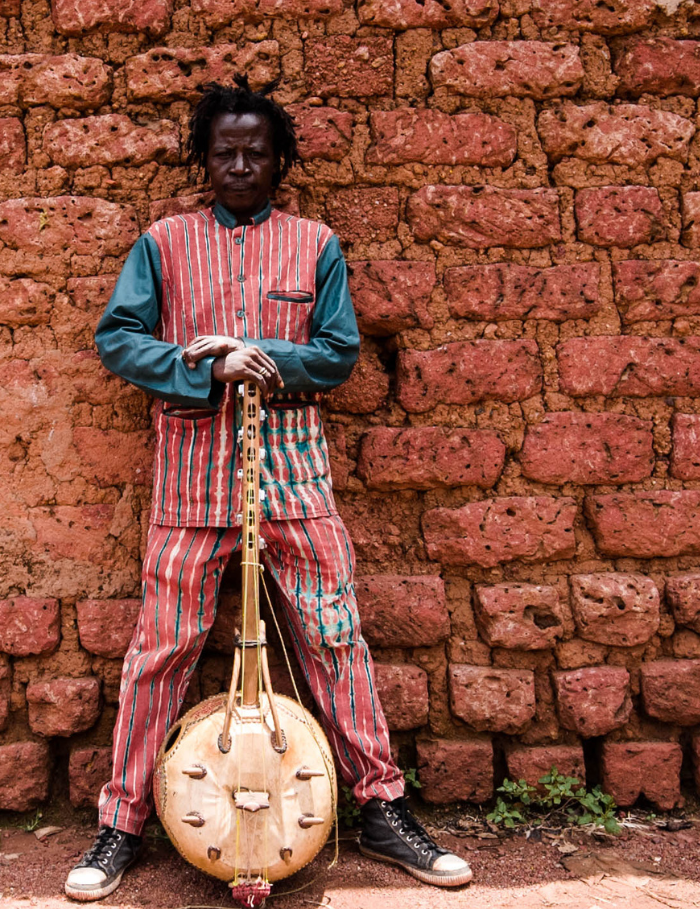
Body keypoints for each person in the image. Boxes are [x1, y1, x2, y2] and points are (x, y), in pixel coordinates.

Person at [68, 78, 472, 901]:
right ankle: (123, 823)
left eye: (257, 153)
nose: (241, 166)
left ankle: (384, 807)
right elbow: (118, 338)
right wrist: (205, 363)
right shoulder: (165, 243)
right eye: (226, 153)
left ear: (280, 159)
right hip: (191, 480)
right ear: (203, 159)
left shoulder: (315, 244)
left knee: (334, 639)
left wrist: (264, 354)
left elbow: (336, 354)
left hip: (293, 477)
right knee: (162, 650)